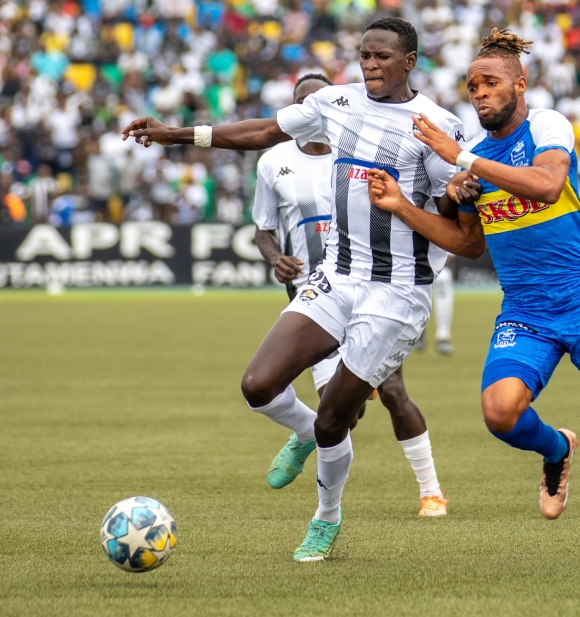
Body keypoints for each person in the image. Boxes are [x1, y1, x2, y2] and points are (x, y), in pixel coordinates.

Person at [123, 17, 476, 562]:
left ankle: (326, 517)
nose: (370, 65)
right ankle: (307, 434)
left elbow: (458, 224)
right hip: (335, 277)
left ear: (410, 61)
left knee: (339, 413)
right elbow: (265, 132)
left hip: (395, 294)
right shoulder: (336, 102)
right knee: (258, 385)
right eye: (364, 55)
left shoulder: (435, 124)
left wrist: (453, 192)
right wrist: (174, 134)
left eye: (382, 56)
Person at [366, 28, 580, 568]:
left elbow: (544, 185)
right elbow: (468, 244)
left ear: (520, 84)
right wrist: (404, 205)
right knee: (499, 413)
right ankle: (557, 450)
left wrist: (464, 158)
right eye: (472, 86)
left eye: (490, 82)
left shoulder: (546, 125)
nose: (480, 94)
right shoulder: (473, 162)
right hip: (525, 310)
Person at [251, 73, 449, 515]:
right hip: (316, 292)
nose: (312, 110)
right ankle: (307, 436)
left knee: (394, 391)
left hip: (378, 289)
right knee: (336, 413)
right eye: (304, 103)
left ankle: (430, 490)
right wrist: (274, 256)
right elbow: (263, 228)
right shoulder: (274, 163)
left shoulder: (356, 145)